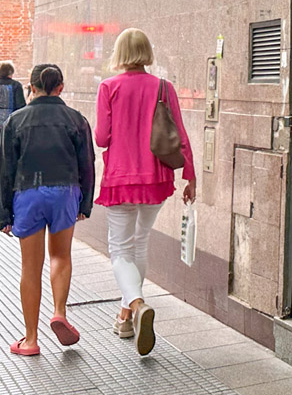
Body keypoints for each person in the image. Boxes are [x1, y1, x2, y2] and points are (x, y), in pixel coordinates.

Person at [95, 28, 195, 356]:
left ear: (120, 54)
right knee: (140, 243)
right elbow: (179, 134)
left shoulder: (108, 87)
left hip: (121, 176)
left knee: (120, 249)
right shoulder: (164, 87)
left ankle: (136, 306)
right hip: (156, 177)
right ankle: (125, 317)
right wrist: (190, 176)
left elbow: (102, 138)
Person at [0, 63, 94, 356]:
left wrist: (4, 214)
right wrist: (84, 203)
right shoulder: (76, 119)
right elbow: (87, 166)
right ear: (60, 88)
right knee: (60, 255)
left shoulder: (15, 121)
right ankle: (59, 312)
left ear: (30, 88)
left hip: (27, 193)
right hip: (65, 192)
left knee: (30, 267)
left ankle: (30, 340)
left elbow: (5, 170)